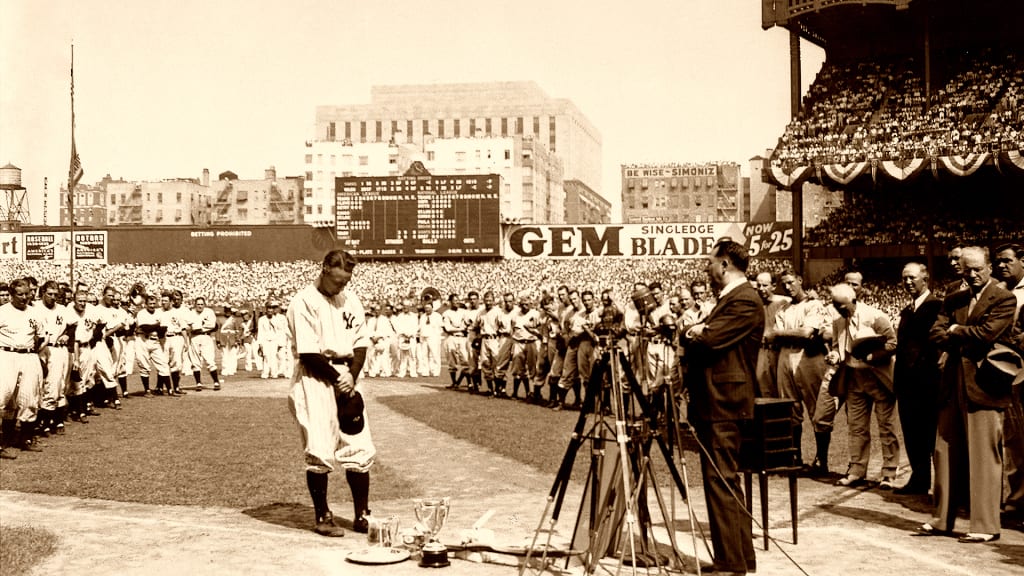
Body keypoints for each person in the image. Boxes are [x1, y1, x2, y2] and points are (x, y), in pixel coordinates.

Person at [921, 246, 1016, 543]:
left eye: (978, 269)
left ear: (988, 267)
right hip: (952, 383)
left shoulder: (1004, 298)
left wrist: (955, 330)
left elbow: (988, 333)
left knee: (984, 455)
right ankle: (941, 519)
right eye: (967, 269)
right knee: (944, 451)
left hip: (985, 384)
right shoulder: (954, 299)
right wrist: (958, 332)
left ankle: (985, 525)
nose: (973, 274)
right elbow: (935, 334)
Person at [682, 239, 762, 576]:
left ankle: (730, 564)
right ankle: (740, 557)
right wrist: (696, 331)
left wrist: (694, 332)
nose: (707, 268)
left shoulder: (744, 299)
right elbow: (703, 336)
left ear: (725, 264)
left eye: (710, 262)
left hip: (724, 402)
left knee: (720, 481)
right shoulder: (731, 298)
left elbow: (710, 340)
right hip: (719, 401)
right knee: (726, 481)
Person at [287, 249, 373, 537]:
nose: (341, 286)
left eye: (346, 281)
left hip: (348, 374)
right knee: (320, 447)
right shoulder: (303, 301)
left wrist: (352, 376)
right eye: (337, 280)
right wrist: (340, 380)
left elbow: (361, 342)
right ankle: (323, 516)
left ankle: (362, 514)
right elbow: (308, 352)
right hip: (316, 377)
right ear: (324, 269)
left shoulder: (351, 299)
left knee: (359, 444)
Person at [827, 283, 900, 489]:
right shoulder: (838, 322)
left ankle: (889, 472)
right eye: (835, 305)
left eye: (841, 306)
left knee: (886, 426)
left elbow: (893, 343)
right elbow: (837, 348)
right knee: (856, 427)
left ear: (853, 300)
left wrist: (871, 356)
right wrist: (834, 356)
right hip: (854, 378)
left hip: (878, 377)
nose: (838, 309)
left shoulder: (875, 316)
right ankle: (856, 470)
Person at [770, 269, 835, 475]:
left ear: (799, 280)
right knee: (790, 409)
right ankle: (795, 457)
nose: (787, 286)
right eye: (784, 283)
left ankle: (821, 460)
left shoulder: (814, 304)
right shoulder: (784, 308)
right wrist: (787, 334)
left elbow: (806, 333)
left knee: (818, 410)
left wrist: (781, 334)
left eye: (791, 282)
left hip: (808, 357)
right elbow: (777, 336)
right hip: (785, 356)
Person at [893, 262, 942, 495]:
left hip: (928, 383)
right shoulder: (907, 310)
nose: (908, 282)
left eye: (912, 277)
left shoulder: (936, 307)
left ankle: (942, 485)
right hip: (907, 383)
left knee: (931, 434)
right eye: (905, 278)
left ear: (925, 279)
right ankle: (920, 479)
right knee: (912, 433)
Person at [993, 242, 1024, 516]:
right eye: (998, 261)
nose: (1001, 265)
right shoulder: (1000, 291)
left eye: (1007, 260)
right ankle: (1016, 497)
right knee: (1013, 437)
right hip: (1008, 372)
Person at [0, 278, 47, 457]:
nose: (24, 297)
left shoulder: (34, 313)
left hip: (29, 355)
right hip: (6, 354)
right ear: (12, 295)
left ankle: (26, 439)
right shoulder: (3, 311)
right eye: (20, 294)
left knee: (30, 398)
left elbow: (41, 336)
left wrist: (36, 354)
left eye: (27, 294)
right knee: (2, 396)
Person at [755, 271, 789, 398]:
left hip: (779, 350)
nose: (761, 289)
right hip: (762, 350)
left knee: (782, 388)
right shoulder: (755, 303)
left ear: (773, 286)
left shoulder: (783, 302)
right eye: (758, 285)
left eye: (765, 285)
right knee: (763, 385)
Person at [188, 296, 221, 391]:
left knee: (210, 360)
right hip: (194, 337)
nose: (200, 306)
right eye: (198, 304)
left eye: (202, 304)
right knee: (195, 361)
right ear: (195, 305)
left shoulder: (209, 312)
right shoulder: (190, 313)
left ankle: (216, 382)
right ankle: (198, 383)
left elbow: (212, 325)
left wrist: (199, 328)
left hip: (206, 337)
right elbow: (189, 326)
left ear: (204, 305)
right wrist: (199, 327)